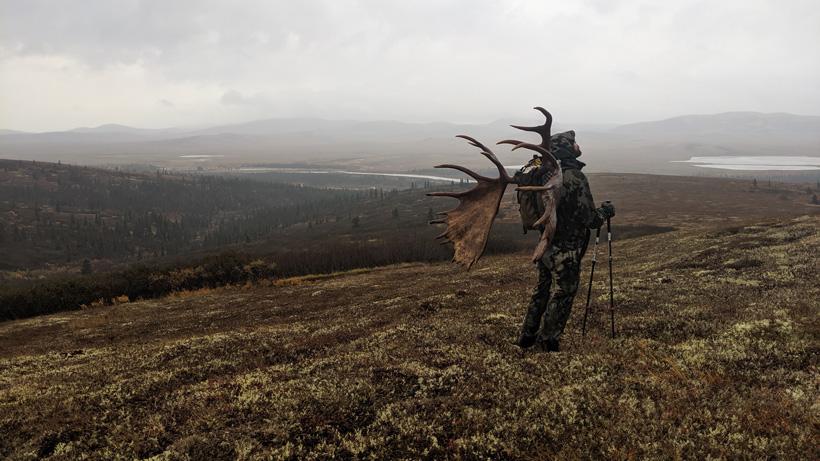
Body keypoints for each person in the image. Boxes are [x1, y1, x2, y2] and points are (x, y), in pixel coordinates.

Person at [516, 130, 615, 352]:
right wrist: (605, 212)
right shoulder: (575, 178)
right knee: (564, 292)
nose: (578, 146)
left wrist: (537, 159)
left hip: (546, 243)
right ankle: (548, 342)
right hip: (567, 249)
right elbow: (590, 219)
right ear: (567, 148)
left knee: (542, 289)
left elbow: (522, 172)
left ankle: (526, 336)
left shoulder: (542, 173)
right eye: (574, 143)